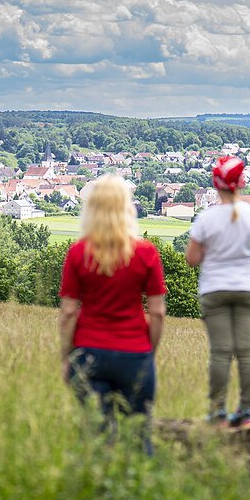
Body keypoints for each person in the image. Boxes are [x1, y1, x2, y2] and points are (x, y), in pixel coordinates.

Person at [59, 174, 167, 454]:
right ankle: (140, 491)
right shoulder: (146, 253)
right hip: (135, 354)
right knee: (139, 436)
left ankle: (98, 490)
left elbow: (69, 312)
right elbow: (157, 313)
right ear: (126, 207)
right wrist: (149, 351)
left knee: (97, 437)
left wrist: (66, 357)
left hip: (88, 354)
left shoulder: (78, 253)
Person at [186, 156, 250, 427]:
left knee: (221, 352)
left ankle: (217, 412)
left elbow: (192, 258)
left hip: (214, 288)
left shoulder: (206, 219)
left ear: (216, 185)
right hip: (247, 288)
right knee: (247, 352)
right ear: (242, 184)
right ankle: (247, 411)